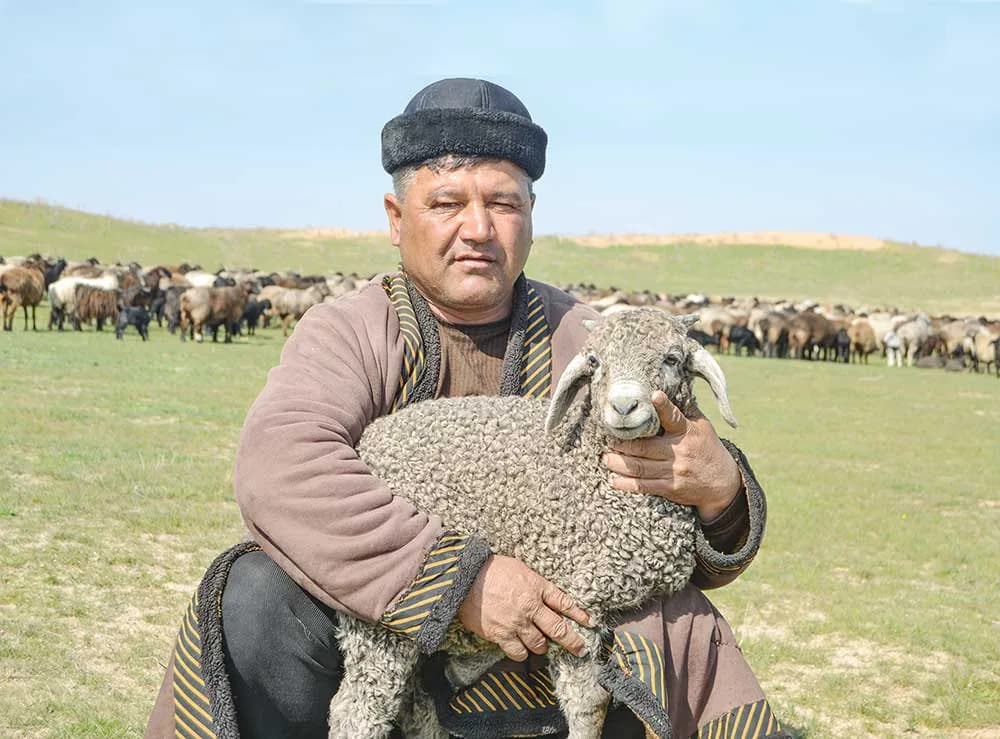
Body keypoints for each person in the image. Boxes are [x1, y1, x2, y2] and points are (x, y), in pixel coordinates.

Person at [145, 77, 783, 739]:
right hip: (383, 641)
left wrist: (720, 491)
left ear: (532, 216)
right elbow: (281, 469)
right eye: (447, 201)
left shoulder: (591, 344)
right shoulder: (350, 331)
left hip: (543, 661)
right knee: (255, 592)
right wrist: (461, 582)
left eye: (503, 203)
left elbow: (671, 545)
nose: (477, 228)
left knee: (667, 615)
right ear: (397, 220)